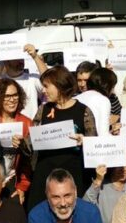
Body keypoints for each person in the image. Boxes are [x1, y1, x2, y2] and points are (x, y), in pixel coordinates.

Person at [23, 66, 97, 208]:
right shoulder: (43, 109)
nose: (43, 90)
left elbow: (94, 146)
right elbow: (30, 142)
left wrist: (84, 141)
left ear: (60, 85)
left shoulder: (83, 111)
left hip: (73, 173)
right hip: (45, 173)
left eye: (46, 86)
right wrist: (21, 141)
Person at [0, 79, 32, 203]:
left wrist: (22, 187)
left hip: (12, 183)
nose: (12, 99)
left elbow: (27, 163)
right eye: (7, 96)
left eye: (15, 95)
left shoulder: (26, 123)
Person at [83, 152, 126, 223]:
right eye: (119, 165)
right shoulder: (103, 186)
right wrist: (98, 181)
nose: (123, 169)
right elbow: (85, 207)